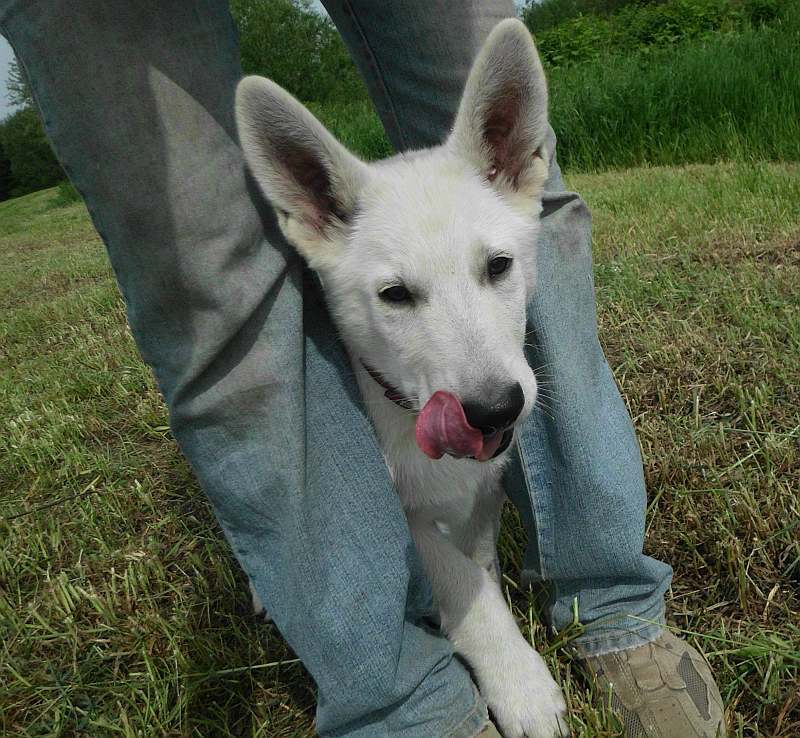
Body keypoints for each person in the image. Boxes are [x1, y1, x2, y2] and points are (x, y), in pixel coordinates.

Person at [0, 2, 725, 736]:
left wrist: (477, 566)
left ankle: (607, 594)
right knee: (213, 285)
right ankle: (395, 689)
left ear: (513, 166)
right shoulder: (341, 295)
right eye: (399, 293)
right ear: (316, 213)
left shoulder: (507, 193)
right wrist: (488, 628)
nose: (484, 379)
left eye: (496, 266)